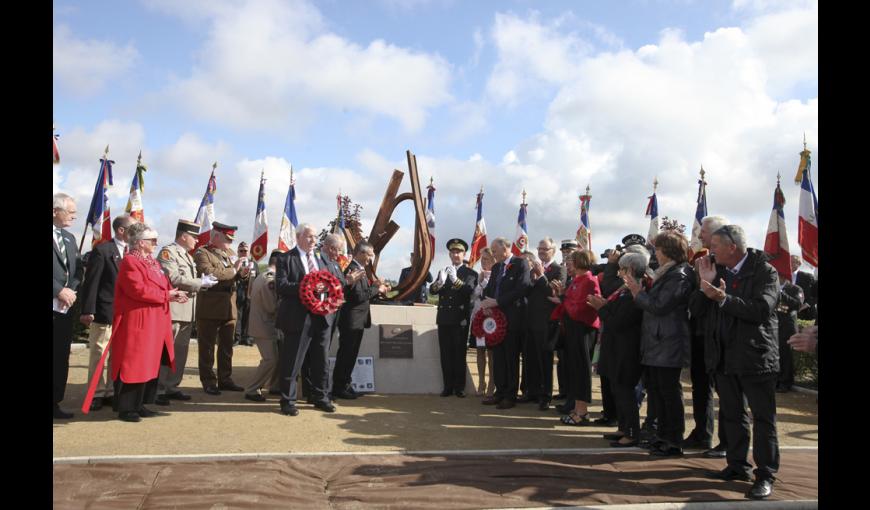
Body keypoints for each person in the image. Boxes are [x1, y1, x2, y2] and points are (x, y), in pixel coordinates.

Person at [695, 224, 781, 500]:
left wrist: (723, 298)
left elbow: (761, 310)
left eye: (716, 245)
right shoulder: (716, 270)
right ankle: (736, 465)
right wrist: (703, 284)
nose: (712, 250)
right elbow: (696, 310)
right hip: (723, 356)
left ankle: (765, 474)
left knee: (763, 419)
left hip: (756, 356)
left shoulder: (765, 271)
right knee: (732, 414)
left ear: (733, 247)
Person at [84, 223, 188, 422]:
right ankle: (126, 408)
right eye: (153, 241)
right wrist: (167, 295)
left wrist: (174, 294)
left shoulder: (152, 262)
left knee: (150, 364)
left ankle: (140, 404)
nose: (156, 244)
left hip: (155, 320)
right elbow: (138, 290)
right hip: (138, 321)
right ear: (141, 243)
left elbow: (162, 286)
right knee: (135, 364)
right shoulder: (130, 261)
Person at [625, 230, 694, 457]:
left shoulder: (679, 274)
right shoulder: (665, 273)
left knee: (669, 393)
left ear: (667, 251)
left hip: (669, 341)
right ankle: (661, 435)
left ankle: (673, 439)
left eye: (658, 249)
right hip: (657, 341)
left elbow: (661, 305)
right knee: (656, 392)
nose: (655, 253)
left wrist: (637, 293)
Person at [274, 224, 345, 416]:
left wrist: (329, 292)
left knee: (321, 360)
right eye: (309, 237)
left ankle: (320, 397)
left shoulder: (322, 259)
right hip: (298, 318)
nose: (314, 240)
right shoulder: (286, 259)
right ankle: (288, 400)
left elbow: (333, 283)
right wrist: (308, 286)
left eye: (315, 237)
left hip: (322, 317)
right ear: (298, 237)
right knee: (293, 361)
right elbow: (281, 286)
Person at [588, 250, 648, 447]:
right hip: (615, 347)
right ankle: (623, 427)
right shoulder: (623, 290)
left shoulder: (635, 291)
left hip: (626, 348)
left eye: (622, 269)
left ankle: (631, 432)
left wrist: (602, 308)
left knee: (625, 392)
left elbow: (620, 322)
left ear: (630, 269)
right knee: (617, 389)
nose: (619, 273)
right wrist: (604, 305)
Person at [154, 220, 218, 405]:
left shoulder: (188, 256)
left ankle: (172, 386)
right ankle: (159, 388)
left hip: (187, 310)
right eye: (194, 237)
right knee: (167, 351)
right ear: (183, 236)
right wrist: (200, 283)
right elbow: (173, 277)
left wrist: (202, 281)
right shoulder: (168, 252)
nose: (197, 241)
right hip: (173, 310)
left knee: (180, 352)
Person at [79, 214, 137, 411]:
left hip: (126, 313)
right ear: (121, 231)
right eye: (133, 229)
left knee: (118, 354)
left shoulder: (134, 253)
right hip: (105, 311)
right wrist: (88, 310)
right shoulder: (103, 250)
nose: (137, 233)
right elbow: (92, 282)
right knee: (99, 352)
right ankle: (96, 392)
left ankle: (112, 391)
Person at [684, 214, 730, 453]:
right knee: (700, 386)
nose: (699, 235)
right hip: (700, 334)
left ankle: (727, 441)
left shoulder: (731, 265)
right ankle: (702, 433)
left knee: (727, 391)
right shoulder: (701, 263)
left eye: (703, 231)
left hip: (723, 337)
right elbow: (695, 303)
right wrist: (703, 290)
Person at [194, 222, 251, 395]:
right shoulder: (202, 253)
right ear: (216, 236)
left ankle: (225, 378)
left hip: (229, 305)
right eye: (227, 238)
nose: (230, 242)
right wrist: (234, 271)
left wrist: (244, 272)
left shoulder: (231, 253)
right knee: (208, 347)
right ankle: (209, 381)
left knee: (227, 346)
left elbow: (237, 275)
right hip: (210, 305)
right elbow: (209, 273)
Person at [550, 249, 601, 425]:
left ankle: (582, 412)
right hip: (572, 329)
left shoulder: (588, 280)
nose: (569, 263)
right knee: (574, 370)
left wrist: (564, 297)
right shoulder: (578, 280)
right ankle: (577, 408)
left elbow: (581, 307)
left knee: (581, 370)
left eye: (572, 260)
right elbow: (570, 301)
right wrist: (563, 295)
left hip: (582, 330)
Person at [333, 241, 389, 399]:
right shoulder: (353, 269)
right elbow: (359, 296)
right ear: (360, 253)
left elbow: (363, 292)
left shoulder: (360, 269)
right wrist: (377, 289)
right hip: (351, 320)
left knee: (351, 354)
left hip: (357, 320)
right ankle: (339, 387)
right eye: (369, 255)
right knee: (346, 354)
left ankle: (345, 384)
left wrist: (376, 286)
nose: (371, 258)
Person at [481, 237, 531, 409]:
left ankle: (510, 395)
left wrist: (498, 302)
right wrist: (486, 303)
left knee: (511, 357)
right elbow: (489, 290)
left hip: (513, 318)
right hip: (496, 320)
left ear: (505, 248)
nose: (493, 254)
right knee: (498, 358)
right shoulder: (496, 268)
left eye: (495, 251)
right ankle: (499, 392)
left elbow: (522, 288)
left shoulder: (521, 264)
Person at [430, 239, 478, 398]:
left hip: (460, 319)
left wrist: (455, 280)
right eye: (453, 252)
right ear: (450, 254)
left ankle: (459, 387)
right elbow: (433, 291)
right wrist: (440, 282)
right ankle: (447, 386)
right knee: (445, 353)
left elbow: (468, 291)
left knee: (458, 353)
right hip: (444, 318)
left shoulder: (470, 273)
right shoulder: (443, 270)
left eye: (458, 252)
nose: (455, 254)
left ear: (464, 254)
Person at [523, 238, 564, 410]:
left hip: (546, 322)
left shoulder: (559, 269)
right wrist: (531, 278)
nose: (540, 251)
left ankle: (545, 395)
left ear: (553, 251)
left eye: (544, 249)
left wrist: (541, 276)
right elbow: (526, 291)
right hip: (530, 320)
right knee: (530, 358)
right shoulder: (533, 268)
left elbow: (553, 293)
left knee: (545, 360)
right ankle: (531, 391)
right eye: (539, 248)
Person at [53, 193, 84, 420]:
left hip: (64, 309)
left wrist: (71, 289)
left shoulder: (70, 238)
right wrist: (57, 290)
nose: (74, 216)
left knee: (60, 356)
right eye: (70, 211)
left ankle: (54, 401)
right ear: (55, 211)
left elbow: (77, 269)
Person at [242, 249, 283, 401]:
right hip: (265, 325)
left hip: (264, 324)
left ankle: (273, 385)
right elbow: (271, 306)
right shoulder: (269, 279)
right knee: (270, 359)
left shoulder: (266, 277)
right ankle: (252, 389)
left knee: (273, 358)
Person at [554, 239, 579, 400]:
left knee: (572, 361)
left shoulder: (579, 274)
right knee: (561, 359)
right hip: (562, 321)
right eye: (564, 252)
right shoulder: (564, 271)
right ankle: (563, 390)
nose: (566, 255)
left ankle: (571, 394)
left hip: (574, 322)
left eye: (569, 252)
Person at [469, 247, 496, 397]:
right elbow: (473, 297)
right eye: (482, 259)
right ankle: (481, 382)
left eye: (486, 259)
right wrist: (479, 282)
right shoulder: (478, 276)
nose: (483, 262)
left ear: (493, 260)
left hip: (492, 320)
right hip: (478, 319)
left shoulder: (498, 275)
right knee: (480, 350)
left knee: (491, 353)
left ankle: (492, 382)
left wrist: (484, 283)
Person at [775, 275, 804, 393]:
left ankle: (785, 382)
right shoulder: (772, 286)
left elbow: (797, 305)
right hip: (774, 325)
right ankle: (776, 381)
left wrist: (781, 293)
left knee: (785, 354)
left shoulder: (796, 289)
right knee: (775, 355)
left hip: (787, 326)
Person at [234, 242, 259, 346]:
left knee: (248, 315)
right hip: (237, 292)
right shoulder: (234, 263)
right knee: (238, 315)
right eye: (241, 251)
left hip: (250, 293)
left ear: (249, 252)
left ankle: (247, 337)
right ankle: (237, 337)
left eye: (245, 251)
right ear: (238, 252)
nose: (243, 253)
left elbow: (258, 278)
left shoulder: (254, 264)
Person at [790, 255, 817, 321]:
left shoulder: (808, 277)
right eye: (788, 261)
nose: (789, 264)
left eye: (792, 262)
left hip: (806, 315)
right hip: (786, 317)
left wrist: (805, 305)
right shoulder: (779, 276)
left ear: (799, 264)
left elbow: (816, 296)